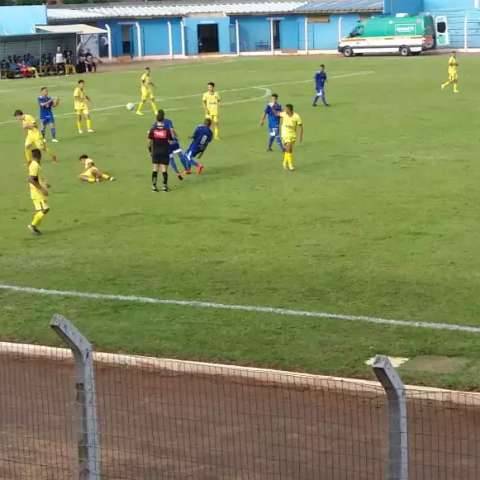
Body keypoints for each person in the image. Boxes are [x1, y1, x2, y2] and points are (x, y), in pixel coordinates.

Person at [148, 110, 173, 192]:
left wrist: (150, 151)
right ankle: (165, 187)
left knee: (155, 169)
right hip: (164, 151)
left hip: (155, 151)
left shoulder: (153, 130)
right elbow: (170, 141)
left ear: (156, 119)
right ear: (163, 120)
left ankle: (154, 186)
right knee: (164, 169)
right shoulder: (167, 130)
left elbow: (149, 142)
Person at [27, 149, 50, 236]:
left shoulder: (34, 164)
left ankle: (34, 226)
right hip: (37, 191)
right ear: (40, 156)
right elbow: (31, 179)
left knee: (40, 210)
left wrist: (44, 184)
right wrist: (41, 189)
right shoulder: (35, 165)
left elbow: (36, 178)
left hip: (36, 190)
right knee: (45, 209)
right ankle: (32, 225)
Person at [276, 104, 303, 171]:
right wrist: (271, 108)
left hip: (293, 134)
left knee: (290, 149)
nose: (285, 110)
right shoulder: (284, 114)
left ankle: (284, 162)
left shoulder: (296, 116)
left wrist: (301, 136)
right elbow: (277, 114)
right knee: (288, 147)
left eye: (286, 109)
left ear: (290, 110)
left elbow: (301, 126)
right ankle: (290, 164)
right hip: (285, 133)